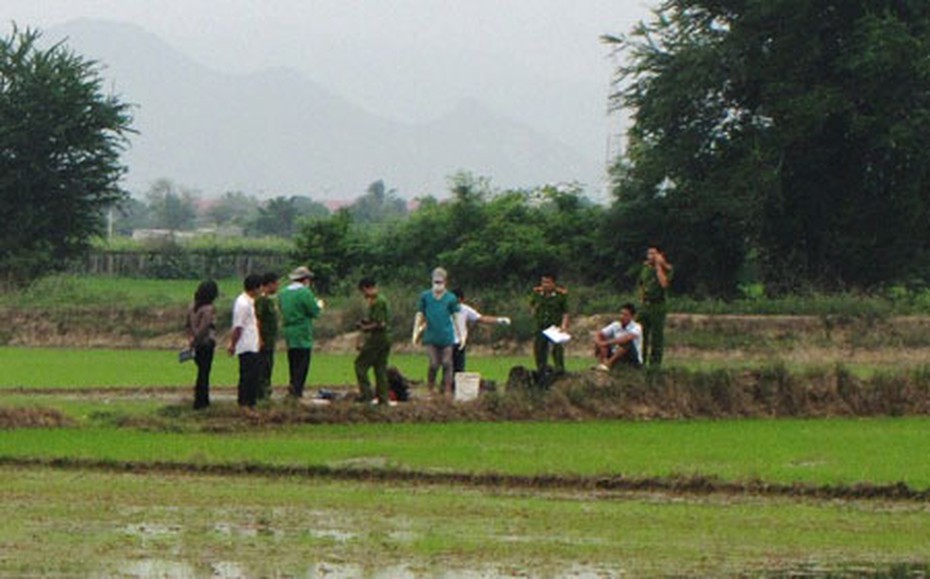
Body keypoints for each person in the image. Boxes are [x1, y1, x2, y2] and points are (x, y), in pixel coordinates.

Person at [413, 267, 464, 395]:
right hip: (431, 336)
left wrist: (461, 334)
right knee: (434, 364)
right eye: (436, 282)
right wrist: (415, 333)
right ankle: (430, 387)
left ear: (445, 282)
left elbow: (456, 317)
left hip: (446, 336)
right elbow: (420, 314)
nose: (438, 285)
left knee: (447, 363)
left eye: (440, 282)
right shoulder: (425, 296)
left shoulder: (451, 298)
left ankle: (447, 389)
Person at [278, 265, 323, 398]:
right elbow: (314, 311)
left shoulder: (283, 293)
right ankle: (297, 391)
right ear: (305, 280)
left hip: (289, 331)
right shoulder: (305, 293)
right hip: (302, 331)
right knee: (302, 363)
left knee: (292, 361)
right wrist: (319, 305)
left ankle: (292, 388)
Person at [451, 288, 510, 373]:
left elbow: (481, 318)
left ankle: (457, 386)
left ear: (461, 299)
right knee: (447, 368)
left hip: (459, 343)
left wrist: (499, 320)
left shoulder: (465, 309)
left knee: (459, 370)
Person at [228, 274, 263, 410]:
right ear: (255, 288)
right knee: (247, 376)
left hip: (252, 344)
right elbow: (238, 327)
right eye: (259, 288)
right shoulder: (242, 303)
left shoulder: (250, 301)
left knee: (254, 376)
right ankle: (244, 403)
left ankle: (251, 403)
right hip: (246, 345)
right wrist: (233, 344)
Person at [354, 277, 392, 405]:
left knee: (360, 365)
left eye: (363, 291)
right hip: (386, 338)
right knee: (380, 368)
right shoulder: (380, 300)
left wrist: (364, 327)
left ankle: (366, 395)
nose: (363, 295)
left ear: (366, 288)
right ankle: (383, 398)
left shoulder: (378, 302)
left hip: (377, 338)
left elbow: (380, 324)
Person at [185, 280, 218, 410]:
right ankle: (202, 402)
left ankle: (200, 400)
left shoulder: (192, 306)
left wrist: (191, 340)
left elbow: (187, 325)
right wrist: (197, 340)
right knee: (204, 373)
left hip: (196, 344)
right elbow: (204, 328)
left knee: (201, 372)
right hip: (206, 343)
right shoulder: (209, 309)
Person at [638, 244, 673, 367]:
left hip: (657, 306)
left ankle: (655, 365)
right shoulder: (645, 268)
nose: (650, 256)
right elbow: (642, 284)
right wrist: (641, 299)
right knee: (641, 335)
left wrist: (659, 266)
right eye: (649, 254)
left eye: (653, 254)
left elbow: (664, 284)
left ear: (660, 255)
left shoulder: (667, 269)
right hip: (645, 306)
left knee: (656, 337)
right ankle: (640, 362)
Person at [529, 272, 570, 377]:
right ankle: (541, 370)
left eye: (548, 282)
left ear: (553, 283)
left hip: (554, 326)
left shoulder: (560, 296)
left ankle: (560, 369)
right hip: (540, 326)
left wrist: (564, 326)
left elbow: (565, 312)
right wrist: (534, 314)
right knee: (539, 349)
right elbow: (532, 305)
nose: (545, 285)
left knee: (557, 348)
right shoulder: (537, 294)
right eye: (543, 282)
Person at [594, 303, 643, 370]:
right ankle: (603, 363)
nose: (622, 316)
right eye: (621, 314)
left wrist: (606, 343)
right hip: (617, 354)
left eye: (625, 315)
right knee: (601, 339)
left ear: (632, 317)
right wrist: (599, 342)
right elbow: (599, 334)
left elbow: (626, 338)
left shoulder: (637, 327)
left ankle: (609, 363)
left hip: (631, 358)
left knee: (627, 343)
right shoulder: (615, 325)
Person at [254, 272, 280, 401]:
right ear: (270, 284)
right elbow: (257, 319)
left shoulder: (269, 300)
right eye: (276, 283)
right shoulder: (262, 300)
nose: (278, 286)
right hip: (264, 341)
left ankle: (265, 393)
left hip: (269, 341)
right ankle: (262, 394)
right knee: (263, 368)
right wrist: (259, 338)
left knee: (268, 367)